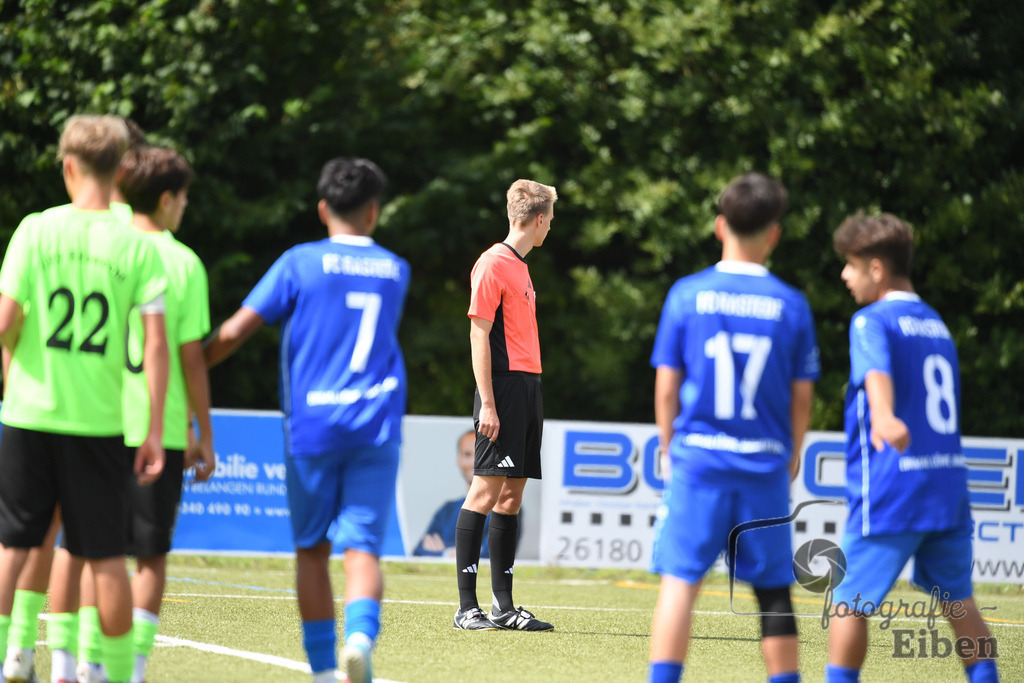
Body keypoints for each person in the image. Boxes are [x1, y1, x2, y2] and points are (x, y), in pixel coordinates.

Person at [203, 157, 409, 683]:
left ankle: (321, 671)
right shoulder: (395, 269)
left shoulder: (299, 262)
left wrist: (188, 366)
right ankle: (360, 639)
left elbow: (236, 331)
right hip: (376, 422)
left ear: (322, 208)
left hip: (313, 424)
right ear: (373, 211)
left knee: (312, 552)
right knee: (363, 548)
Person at [0, 114, 169, 683]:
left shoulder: (34, 230)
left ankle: (9, 659)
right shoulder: (138, 244)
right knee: (104, 559)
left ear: (68, 167)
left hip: (27, 413)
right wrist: (150, 430)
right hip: (98, 423)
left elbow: (5, 321)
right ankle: (118, 677)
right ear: (123, 168)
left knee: (13, 546)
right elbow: (153, 345)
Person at [647, 172, 819, 683]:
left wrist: (668, 447)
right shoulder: (791, 304)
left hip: (699, 458)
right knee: (772, 591)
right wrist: (790, 456)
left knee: (681, 582)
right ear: (775, 233)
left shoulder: (686, 294)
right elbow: (802, 397)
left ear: (720, 226)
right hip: (763, 460)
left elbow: (666, 388)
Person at [825, 212, 999, 683]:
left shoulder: (870, 322)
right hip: (945, 488)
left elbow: (877, 375)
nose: (845, 275)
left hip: (893, 488)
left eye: (851, 265)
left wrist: (882, 415)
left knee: (847, 602)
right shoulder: (936, 324)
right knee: (959, 602)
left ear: (876, 269)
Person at [453, 179, 557, 632]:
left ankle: (503, 606)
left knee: (512, 496)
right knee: (484, 491)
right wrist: (488, 405)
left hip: (528, 388)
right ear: (537, 220)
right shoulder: (493, 263)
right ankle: (465, 609)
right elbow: (478, 335)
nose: (550, 226)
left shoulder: (521, 266)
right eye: (550, 218)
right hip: (504, 390)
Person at [414, 430, 492, 557]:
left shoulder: (503, 508)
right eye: (467, 454)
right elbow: (418, 553)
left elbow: (490, 556)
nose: (474, 461)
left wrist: (442, 553)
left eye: (480, 454)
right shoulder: (447, 510)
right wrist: (448, 554)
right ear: (458, 460)